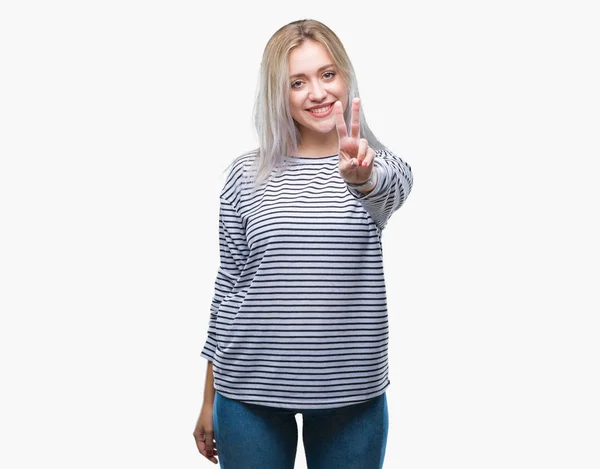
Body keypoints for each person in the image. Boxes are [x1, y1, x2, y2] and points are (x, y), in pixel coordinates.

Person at [193, 18, 413, 469]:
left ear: (345, 77)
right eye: (298, 82)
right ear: (280, 92)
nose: (317, 93)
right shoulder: (244, 175)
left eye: (327, 74)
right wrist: (208, 397)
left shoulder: (379, 168)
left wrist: (361, 177)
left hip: (350, 393)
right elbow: (229, 288)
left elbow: (388, 188)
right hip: (248, 391)